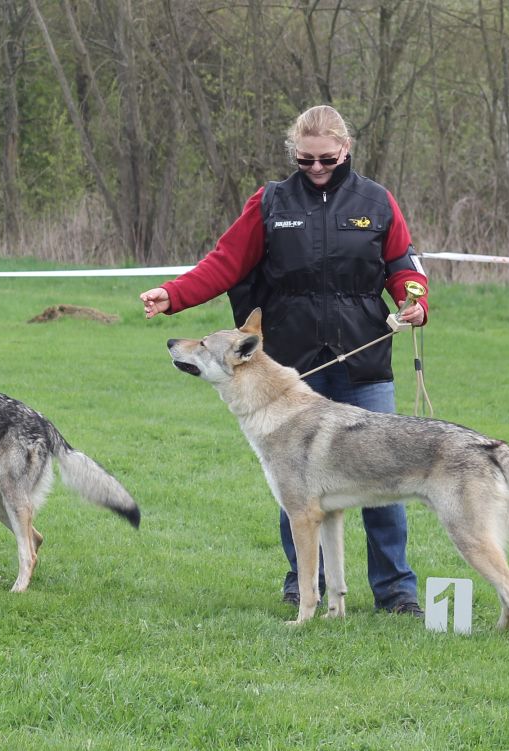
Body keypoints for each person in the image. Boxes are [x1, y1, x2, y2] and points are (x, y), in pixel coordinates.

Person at [140, 105, 429, 616]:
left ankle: (396, 590)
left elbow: (402, 264)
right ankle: (304, 582)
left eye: (327, 159)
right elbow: (226, 261)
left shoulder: (377, 202)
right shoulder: (270, 202)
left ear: (346, 149)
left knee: (387, 480)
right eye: (306, 159)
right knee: (293, 480)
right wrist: (174, 294)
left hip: (362, 361)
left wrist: (414, 298)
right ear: (293, 153)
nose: (317, 168)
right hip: (290, 366)